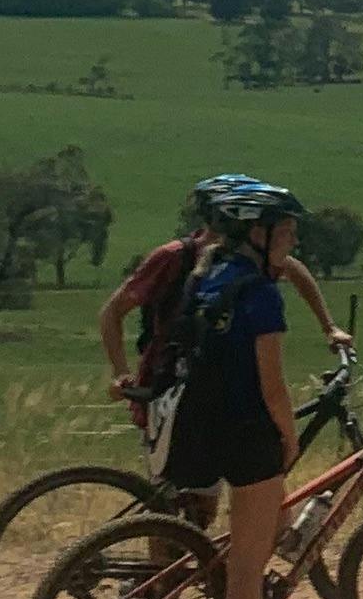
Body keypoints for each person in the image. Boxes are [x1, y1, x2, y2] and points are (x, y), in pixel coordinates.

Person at [167, 180, 309, 599]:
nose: (293, 241)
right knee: (250, 566)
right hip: (246, 429)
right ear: (258, 231)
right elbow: (272, 385)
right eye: (288, 231)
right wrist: (289, 437)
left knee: (241, 549)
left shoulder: (206, 276)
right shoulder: (261, 294)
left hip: (197, 425)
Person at [100, 178, 349, 460]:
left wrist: (329, 327)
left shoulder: (244, 261)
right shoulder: (174, 257)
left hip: (219, 389)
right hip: (170, 382)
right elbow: (112, 312)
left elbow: (294, 269)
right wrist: (121, 373)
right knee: (190, 491)